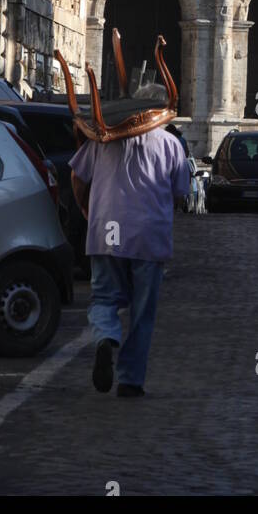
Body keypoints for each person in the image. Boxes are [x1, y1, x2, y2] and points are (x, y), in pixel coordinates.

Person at [70, 125, 190, 398]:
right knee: (142, 311)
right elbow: (180, 192)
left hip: (106, 228)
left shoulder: (104, 138)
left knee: (103, 297)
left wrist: (85, 208)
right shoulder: (171, 143)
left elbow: (77, 176)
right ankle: (130, 381)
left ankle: (105, 337)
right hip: (149, 235)